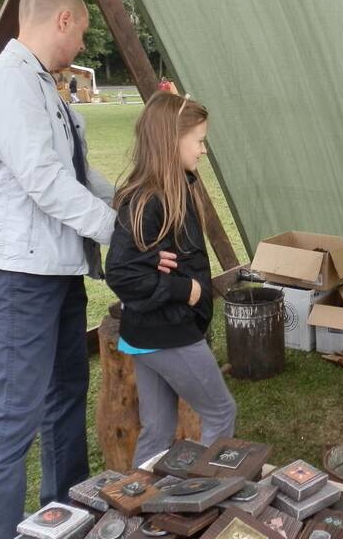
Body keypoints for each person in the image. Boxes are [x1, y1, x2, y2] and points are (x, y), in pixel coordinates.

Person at [0, 0, 170, 539]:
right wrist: (118, 235)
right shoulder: (7, 82)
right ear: (62, 21)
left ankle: (66, 517)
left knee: (64, 397)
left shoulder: (46, 89)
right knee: (14, 417)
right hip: (16, 275)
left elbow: (78, 174)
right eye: (81, 31)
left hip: (56, 270)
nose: (82, 44)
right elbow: (43, 179)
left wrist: (128, 206)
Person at [106, 92, 236, 465]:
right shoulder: (149, 200)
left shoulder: (174, 188)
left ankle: (139, 506)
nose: (203, 150)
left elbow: (141, 263)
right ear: (171, 140)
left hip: (149, 332)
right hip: (167, 332)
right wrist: (188, 289)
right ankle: (209, 497)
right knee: (220, 412)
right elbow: (120, 272)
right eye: (198, 141)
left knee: (159, 430)